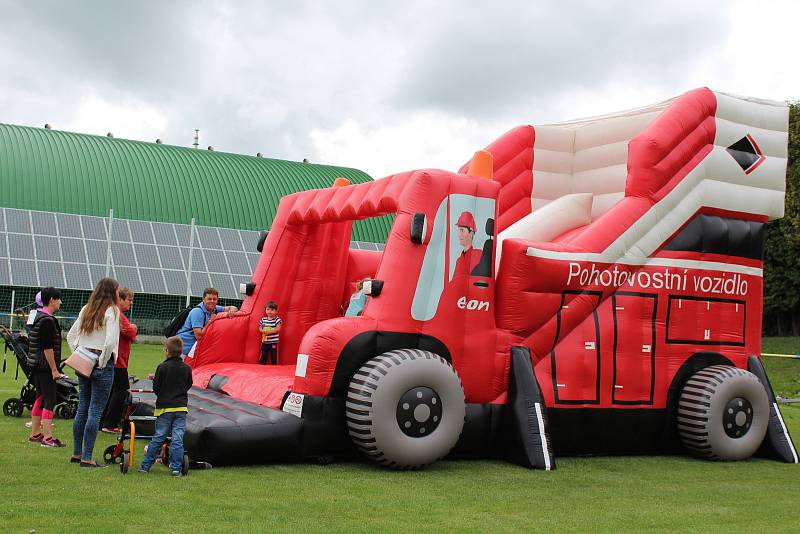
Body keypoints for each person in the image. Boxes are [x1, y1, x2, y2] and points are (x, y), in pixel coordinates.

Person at [67, 277, 121, 468]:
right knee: (95, 411)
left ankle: (77, 452)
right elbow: (110, 342)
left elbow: (71, 336)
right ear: (111, 291)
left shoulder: (86, 309)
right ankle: (87, 457)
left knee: (83, 407)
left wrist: (79, 353)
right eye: (117, 290)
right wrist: (102, 361)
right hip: (101, 363)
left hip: (84, 360)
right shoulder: (112, 311)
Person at [139, 336, 193, 476]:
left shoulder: (162, 367)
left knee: (159, 436)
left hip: (164, 408)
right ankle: (176, 468)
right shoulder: (186, 368)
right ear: (181, 351)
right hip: (180, 408)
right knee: (177, 438)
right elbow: (188, 384)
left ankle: (145, 466)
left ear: (167, 351)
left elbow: (156, 387)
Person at [26, 287, 66, 448]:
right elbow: (47, 347)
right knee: (50, 399)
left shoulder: (36, 316)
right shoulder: (48, 321)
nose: (61, 302)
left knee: (40, 397)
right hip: (44, 366)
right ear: (52, 300)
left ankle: (35, 433)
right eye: (59, 299)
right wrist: (54, 370)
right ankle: (48, 437)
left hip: (35, 364)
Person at [101, 287, 138, 433]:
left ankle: (103, 421)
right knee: (121, 390)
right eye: (129, 300)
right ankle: (110, 424)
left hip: (116, 359)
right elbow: (128, 332)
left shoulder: (116, 313)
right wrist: (133, 328)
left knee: (110, 391)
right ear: (120, 299)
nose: (131, 303)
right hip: (118, 361)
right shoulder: (118, 314)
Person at [177, 288, 237, 357]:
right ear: (203, 299)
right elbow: (199, 336)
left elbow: (232, 308)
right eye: (209, 299)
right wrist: (211, 321)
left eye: (214, 299)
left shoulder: (214, 309)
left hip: (190, 349)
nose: (212, 301)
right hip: (180, 349)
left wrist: (232, 310)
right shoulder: (197, 312)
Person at [453, 211, 483, 277]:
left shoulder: (479, 255)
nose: (459, 235)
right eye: (458, 230)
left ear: (471, 233)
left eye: (462, 230)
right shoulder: (459, 261)